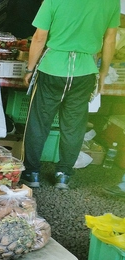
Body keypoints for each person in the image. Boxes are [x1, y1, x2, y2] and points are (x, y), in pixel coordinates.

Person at [21, 0, 119, 190]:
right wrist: (103, 72)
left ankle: (32, 173)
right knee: (74, 125)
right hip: (85, 71)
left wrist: (30, 68)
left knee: (39, 122)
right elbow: (109, 39)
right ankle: (63, 175)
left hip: (52, 68)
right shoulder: (111, 2)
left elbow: (40, 36)